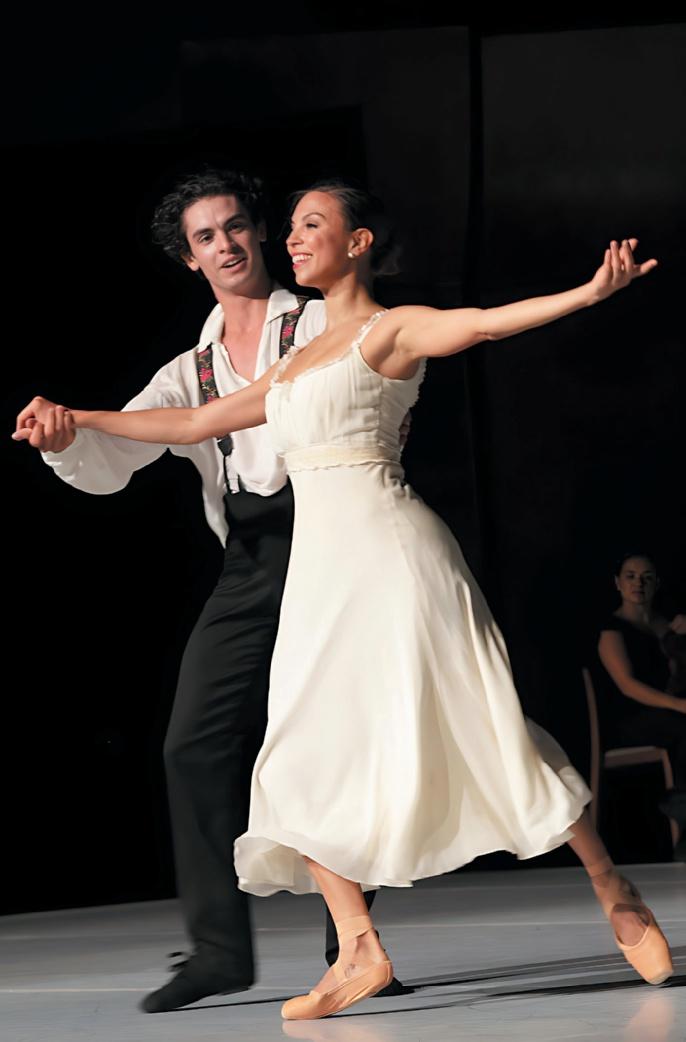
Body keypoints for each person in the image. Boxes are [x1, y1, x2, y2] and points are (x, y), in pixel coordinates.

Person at [16, 182, 673, 1020]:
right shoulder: (289, 363)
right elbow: (191, 425)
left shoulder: (387, 329)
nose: (290, 239)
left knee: (488, 726)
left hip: (393, 553)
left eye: (309, 225)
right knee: (297, 756)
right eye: (289, 226)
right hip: (315, 575)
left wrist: (589, 292)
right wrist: (75, 416)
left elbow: (481, 323)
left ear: (358, 243)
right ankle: (358, 947)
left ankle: (614, 887)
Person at [13, 169, 406, 1014]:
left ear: (258, 233)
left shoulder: (318, 320)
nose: (225, 245)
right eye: (205, 237)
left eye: (234, 227)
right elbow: (122, 452)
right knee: (191, 742)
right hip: (253, 557)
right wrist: (66, 435)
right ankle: (219, 950)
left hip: (333, 532)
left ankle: (353, 947)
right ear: (189, 259)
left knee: (338, 741)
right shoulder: (188, 370)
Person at [597, 552, 686, 828]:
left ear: (656, 583)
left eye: (647, 577)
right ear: (618, 583)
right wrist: (679, 705)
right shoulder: (612, 628)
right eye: (631, 576)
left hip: (668, 712)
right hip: (629, 719)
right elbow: (627, 686)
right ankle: (682, 813)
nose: (639, 583)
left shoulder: (667, 625)